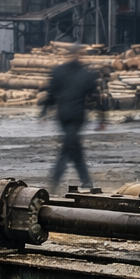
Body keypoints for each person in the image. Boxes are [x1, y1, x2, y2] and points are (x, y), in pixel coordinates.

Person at [40, 42, 106, 191]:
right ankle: (81, 181)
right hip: (74, 117)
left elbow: (51, 94)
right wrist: (102, 118)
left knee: (70, 145)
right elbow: (96, 98)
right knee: (72, 147)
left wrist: (44, 112)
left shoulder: (61, 71)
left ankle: (56, 182)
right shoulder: (84, 74)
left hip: (66, 116)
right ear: (78, 55)